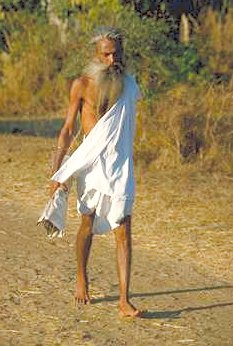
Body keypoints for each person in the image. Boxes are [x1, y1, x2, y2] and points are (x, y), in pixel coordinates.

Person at [50, 27, 142, 317]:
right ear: (96, 54)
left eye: (117, 53)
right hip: (90, 165)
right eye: (106, 54)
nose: (112, 59)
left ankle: (124, 300)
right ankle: (81, 276)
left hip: (119, 164)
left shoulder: (128, 86)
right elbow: (67, 130)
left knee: (123, 227)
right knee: (87, 223)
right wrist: (57, 171)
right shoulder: (81, 85)